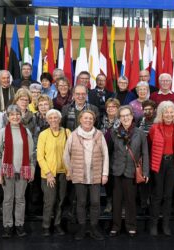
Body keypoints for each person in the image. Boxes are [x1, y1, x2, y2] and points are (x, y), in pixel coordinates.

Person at [63, 110, 109, 241]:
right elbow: (66, 155)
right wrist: (69, 170)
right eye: (85, 118)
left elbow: (105, 155)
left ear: (93, 121)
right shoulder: (73, 135)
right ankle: (82, 228)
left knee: (95, 202)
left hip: (95, 175)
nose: (88, 120)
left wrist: (104, 174)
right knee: (81, 202)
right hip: (79, 175)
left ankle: (94, 228)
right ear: (80, 120)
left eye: (91, 118)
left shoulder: (99, 135)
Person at [0, 105, 35, 238]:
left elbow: (31, 155)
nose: (15, 117)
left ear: (21, 116)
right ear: (8, 116)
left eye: (17, 114)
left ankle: (19, 225)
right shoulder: (2, 132)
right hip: (7, 172)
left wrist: (32, 170)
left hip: (23, 171)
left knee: (20, 199)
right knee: (8, 199)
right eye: (12, 114)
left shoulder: (26, 132)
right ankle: (7, 226)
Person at [109, 106, 149, 237]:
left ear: (132, 117)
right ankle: (115, 226)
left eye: (127, 115)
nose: (125, 118)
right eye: (122, 116)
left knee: (130, 200)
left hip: (132, 171)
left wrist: (146, 172)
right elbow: (110, 152)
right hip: (117, 171)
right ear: (119, 118)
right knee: (116, 200)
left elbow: (145, 153)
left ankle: (131, 226)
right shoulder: (114, 132)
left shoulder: (140, 133)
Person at [37, 109, 71, 237]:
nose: (53, 120)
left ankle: (57, 224)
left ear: (60, 119)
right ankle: (46, 225)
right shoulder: (43, 134)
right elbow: (40, 156)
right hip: (48, 174)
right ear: (47, 120)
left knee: (60, 200)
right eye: (50, 118)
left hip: (63, 173)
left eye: (55, 117)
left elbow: (70, 153)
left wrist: (69, 171)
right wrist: (49, 174)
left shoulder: (67, 132)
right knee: (49, 201)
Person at [148, 101, 174, 236]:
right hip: (158, 163)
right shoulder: (154, 128)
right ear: (161, 114)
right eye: (166, 112)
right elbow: (149, 146)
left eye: (171, 112)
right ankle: (154, 224)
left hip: (172, 164)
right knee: (157, 195)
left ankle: (166, 224)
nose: (169, 114)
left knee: (168, 196)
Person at [100, 98, 121, 214]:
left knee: (117, 181)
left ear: (118, 109)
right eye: (109, 107)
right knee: (107, 181)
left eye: (114, 107)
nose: (111, 109)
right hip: (104, 154)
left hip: (117, 155)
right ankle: (109, 202)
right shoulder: (101, 120)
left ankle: (118, 204)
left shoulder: (122, 121)